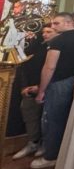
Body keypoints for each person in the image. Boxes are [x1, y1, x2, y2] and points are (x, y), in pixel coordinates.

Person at [31, 12, 74, 169]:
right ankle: (58, 151)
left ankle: (50, 156)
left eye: (56, 23)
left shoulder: (58, 40)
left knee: (52, 119)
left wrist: (41, 91)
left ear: (68, 23)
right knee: (64, 117)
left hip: (58, 83)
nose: (53, 26)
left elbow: (49, 67)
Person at [13, 24, 57, 160]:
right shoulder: (38, 47)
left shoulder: (59, 49)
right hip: (30, 88)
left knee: (47, 118)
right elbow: (25, 66)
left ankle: (45, 144)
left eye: (49, 32)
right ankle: (33, 142)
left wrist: (40, 87)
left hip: (47, 89)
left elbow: (56, 71)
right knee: (29, 113)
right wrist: (24, 86)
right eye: (43, 32)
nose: (45, 34)